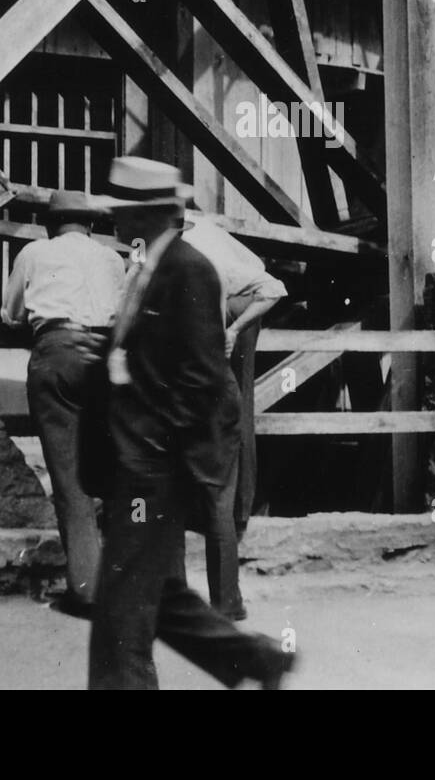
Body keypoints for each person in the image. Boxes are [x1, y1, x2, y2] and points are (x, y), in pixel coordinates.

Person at [89, 156, 296, 690]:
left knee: (122, 609)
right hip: (135, 462)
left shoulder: (189, 269)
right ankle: (255, 659)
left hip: (153, 466)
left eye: (124, 210)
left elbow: (203, 377)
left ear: (153, 213)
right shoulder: (149, 267)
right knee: (155, 592)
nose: (116, 218)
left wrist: (156, 449)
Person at [1, 189, 124, 617]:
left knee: (71, 482)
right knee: (110, 475)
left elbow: (11, 313)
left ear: (50, 225)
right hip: (104, 359)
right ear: (89, 225)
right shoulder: (112, 259)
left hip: (57, 352)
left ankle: (88, 592)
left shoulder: (35, 253)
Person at [181, 210, 287, 619]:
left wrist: (232, 329)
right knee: (230, 412)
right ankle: (232, 511)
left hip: (237, 305)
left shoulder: (193, 254)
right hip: (233, 308)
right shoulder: (195, 235)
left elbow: (273, 288)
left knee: (230, 413)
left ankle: (237, 506)